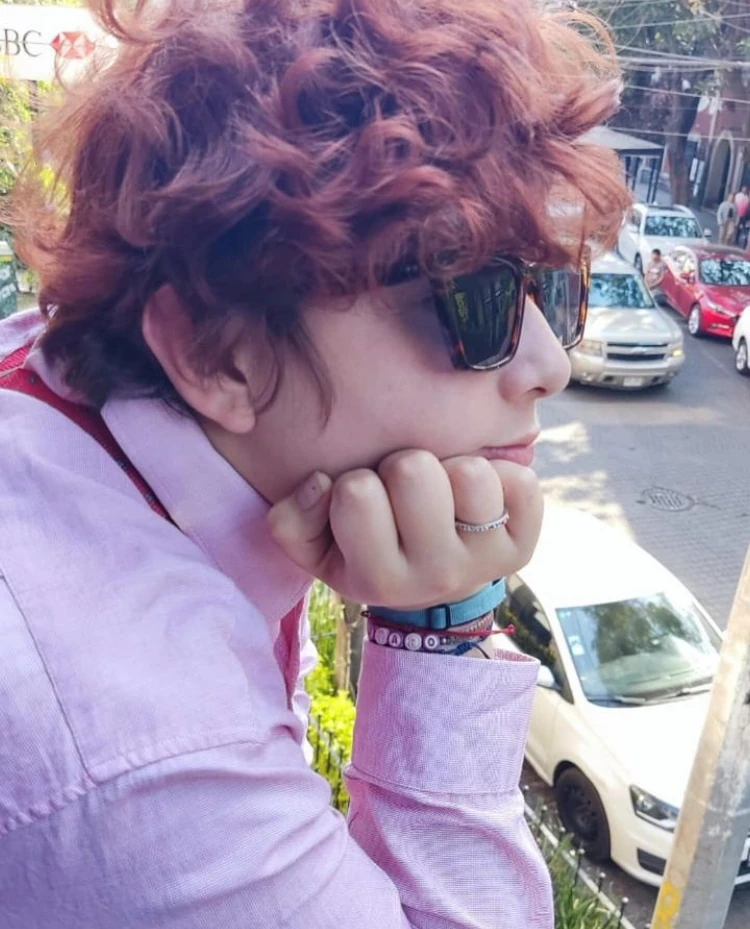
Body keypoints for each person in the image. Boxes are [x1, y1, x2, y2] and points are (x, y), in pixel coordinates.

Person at [0, 0, 629, 926]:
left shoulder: (74, 403)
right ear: (216, 354)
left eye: (555, 290)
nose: (549, 364)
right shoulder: (149, 755)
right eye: (467, 298)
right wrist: (442, 624)